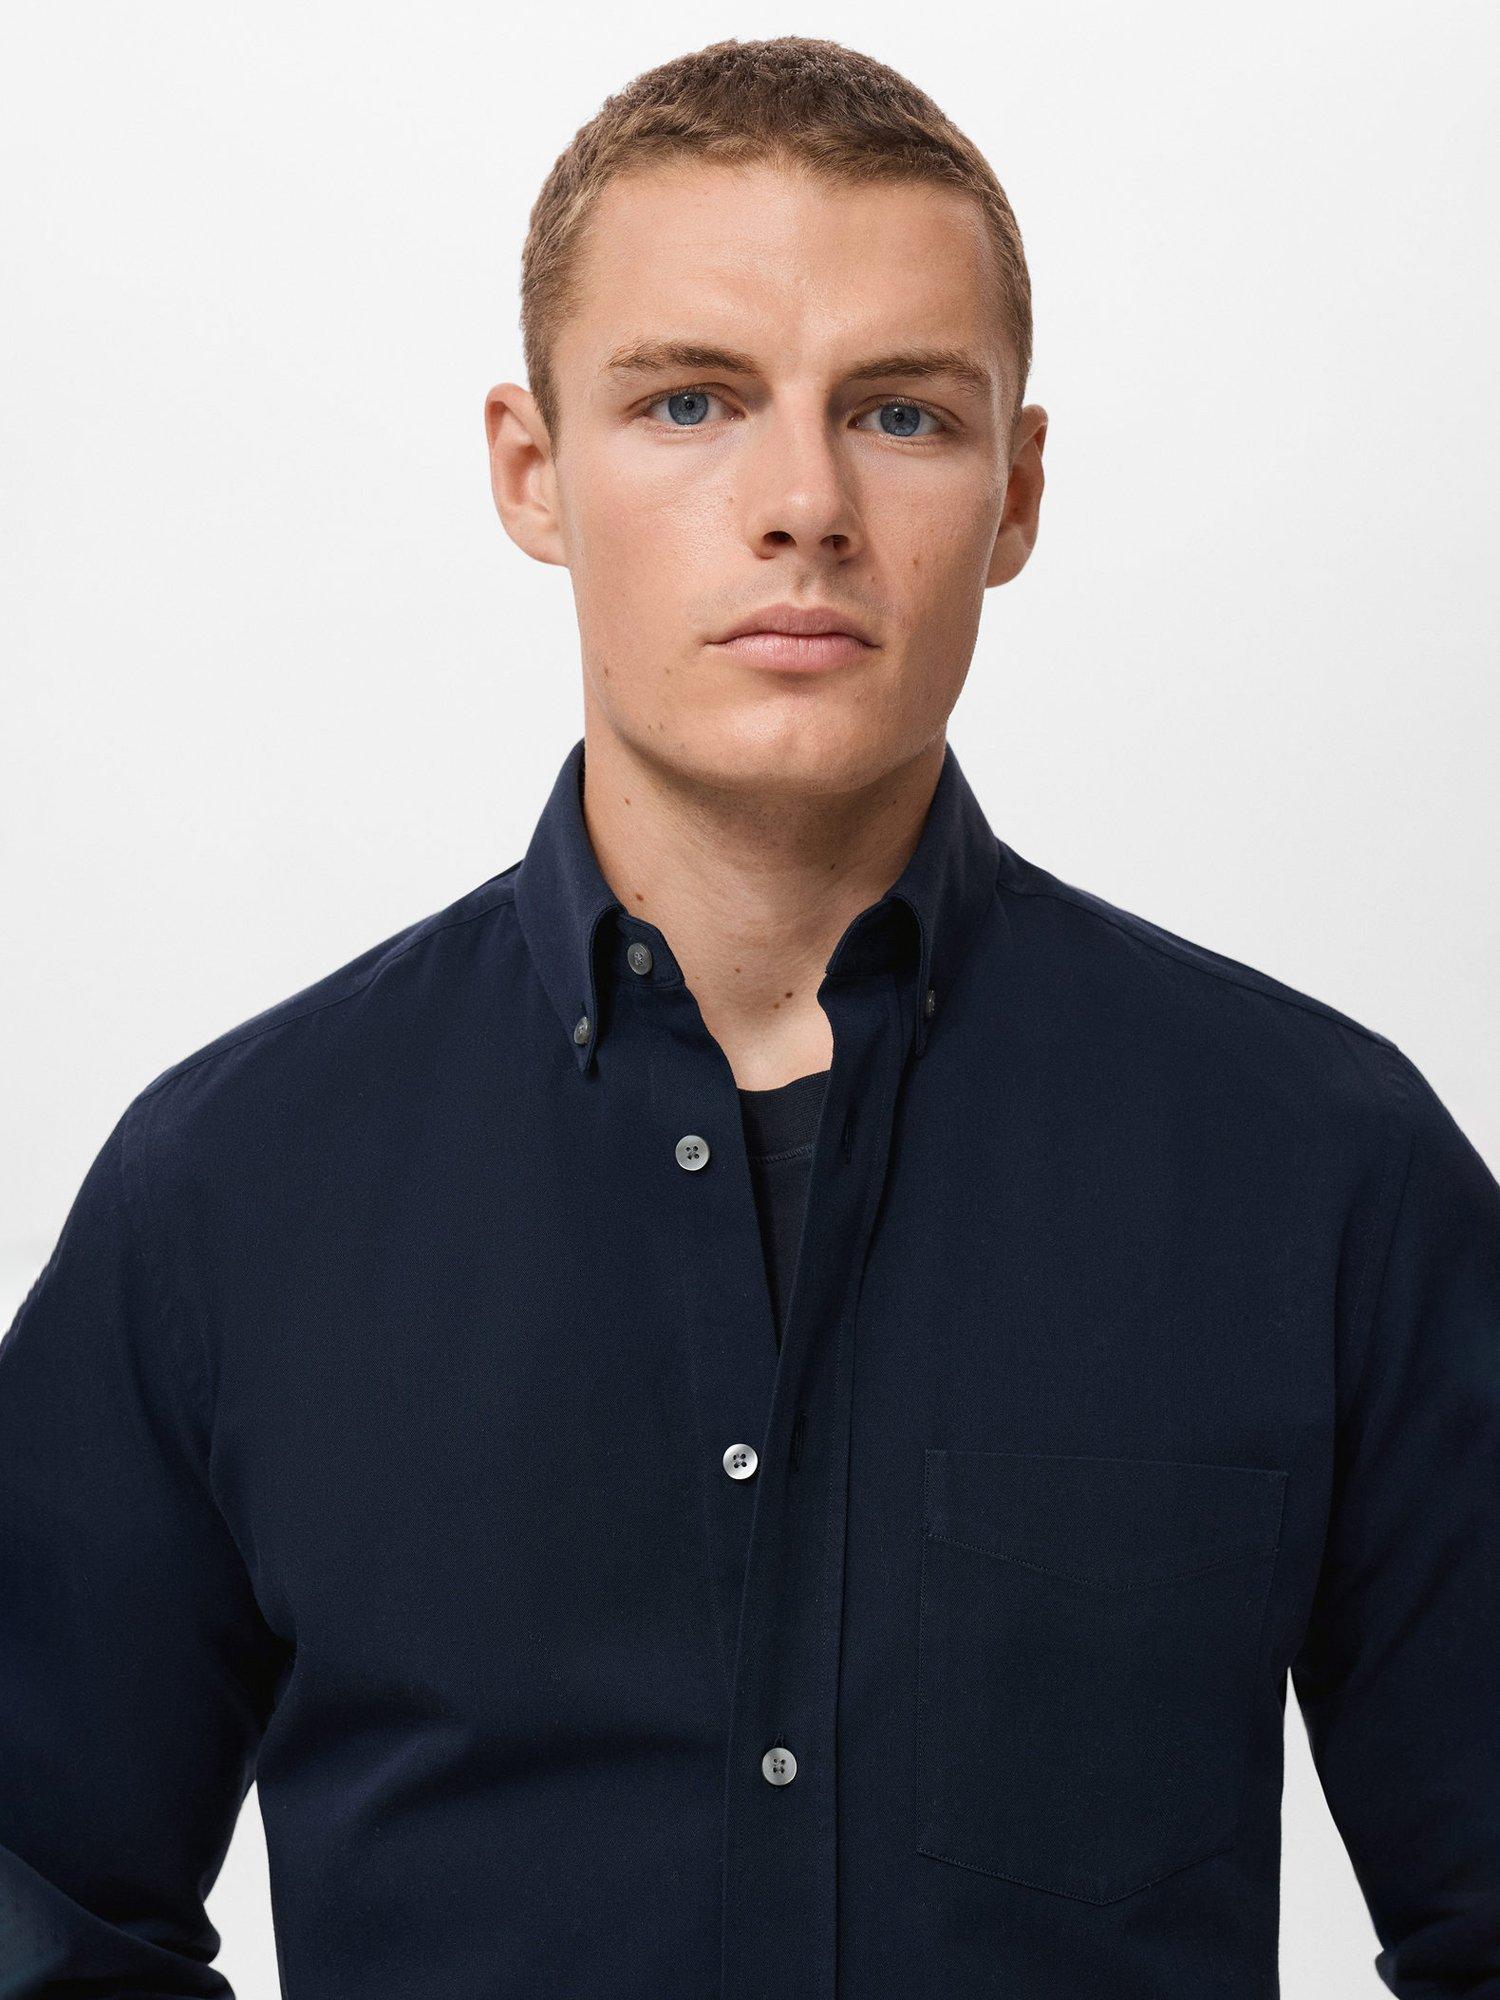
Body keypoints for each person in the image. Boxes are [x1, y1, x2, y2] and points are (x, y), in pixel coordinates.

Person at [1, 33, 1496, 2000]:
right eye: (690, 401)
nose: (804, 503)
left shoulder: (1323, 1171)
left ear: (1018, 491)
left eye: (901, 412)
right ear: (533, 471)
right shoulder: (229, 1193)